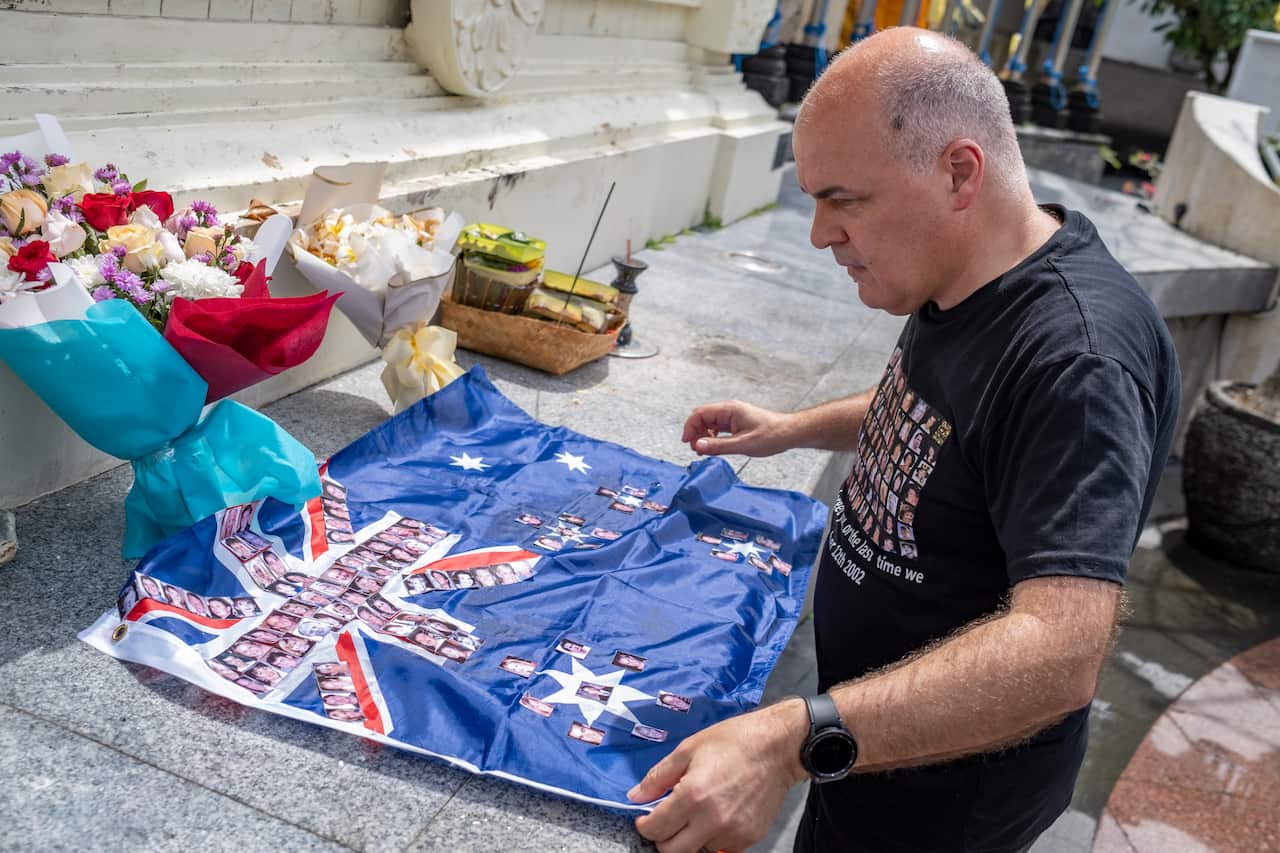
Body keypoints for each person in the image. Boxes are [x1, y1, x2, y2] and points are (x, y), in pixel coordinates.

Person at [630, 28, 1180, 853]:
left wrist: (792, 738)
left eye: (845, 200)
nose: (819, 233)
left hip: (942, 805)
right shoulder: (960, 270)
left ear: (960, 172)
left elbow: (1062, 653)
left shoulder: (1079, 360)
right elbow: (942, 414)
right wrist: (790, 430)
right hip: (864, 752)